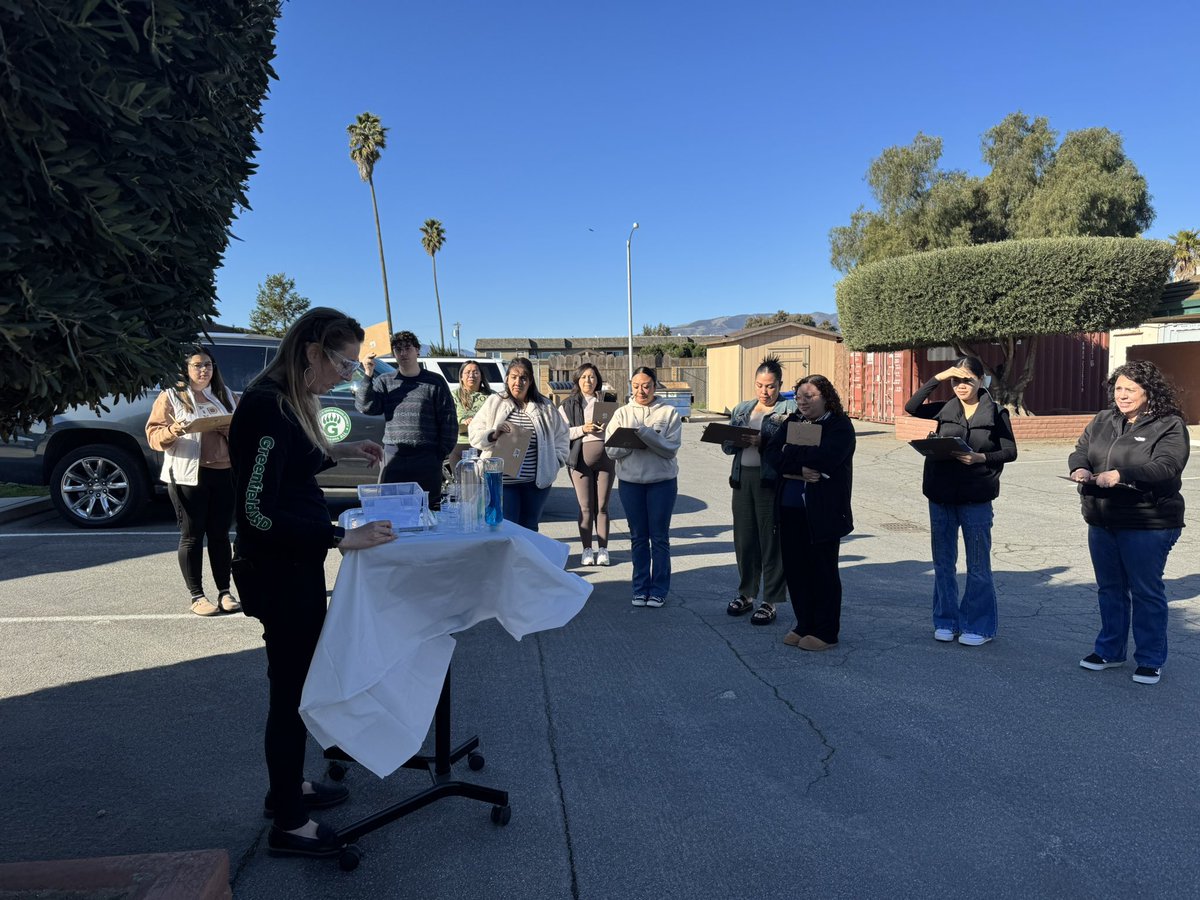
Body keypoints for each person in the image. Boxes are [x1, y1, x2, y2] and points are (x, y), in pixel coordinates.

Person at [229, 307, 396, 859]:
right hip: (277, 572)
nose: (347, 375)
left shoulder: (286, 405)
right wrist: (335, 537)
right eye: (344, 362)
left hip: (291, 566)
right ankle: (289, 823)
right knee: (290, 692)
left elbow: (288, 470)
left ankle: (288, 789)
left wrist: (340, 452)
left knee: (296, 687)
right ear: (311, 352)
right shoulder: (266, 408)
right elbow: (255, 510)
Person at [1068, 360, 1189, 686]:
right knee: (1110, 589)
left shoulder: (1169, 425)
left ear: (1148, 392)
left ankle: (1150, 659)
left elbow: (1167, 466)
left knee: (1146, 591)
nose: (1122, 395)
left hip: (1148, 522)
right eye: (1118, 388)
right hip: (1102, 518)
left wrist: (1123, 474)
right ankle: (1110, 650)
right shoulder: (1103, 420)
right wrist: (1080, 468)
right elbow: (1081, 451)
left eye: (1130, 389)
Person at [904, 356, 1017, 647]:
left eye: (967, 379)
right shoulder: (945, 408)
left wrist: (981, 457)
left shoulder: (996, 413)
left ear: (981, 380)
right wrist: (939, 377)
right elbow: (911, 407)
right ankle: (946, 620)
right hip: (940, 495)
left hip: (976, 497)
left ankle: (978, 626)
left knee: (978, 565)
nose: (961, 385)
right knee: (943, 563)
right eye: (956, 380)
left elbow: (1010, 451)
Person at [145, 346, 239, 617]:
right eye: (197, 365)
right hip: (188, 475)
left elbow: (245, 434)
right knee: (192, 536)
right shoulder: (172, 397)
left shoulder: (227, 396)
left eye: (208, 365)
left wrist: (228, 429)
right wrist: (175, 430)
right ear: (185, 370)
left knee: (220, 535)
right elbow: (153, 436)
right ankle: (197, 596)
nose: (204, 370)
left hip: (224, 473)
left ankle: (225, 591)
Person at [764, 375, 855, 650]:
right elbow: (770, 453)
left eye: (810, 396)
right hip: (789, 509)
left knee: (822, 571)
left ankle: (826, 631)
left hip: (823, 512)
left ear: (827, 397)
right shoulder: (792, 422)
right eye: (799, 396)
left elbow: (826, 458)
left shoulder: (840, 426)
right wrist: (796, 470)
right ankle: (804, 623)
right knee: (796, 570)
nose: (802, 401)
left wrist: (790, 458)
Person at [722, 356, 797, 625]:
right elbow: (728, 447)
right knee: (744, 540)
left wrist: (764, 441)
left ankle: (771, 600)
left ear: (780, 385)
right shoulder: (743, 408)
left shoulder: (791, 409)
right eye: (759, 386)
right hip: (742, 479)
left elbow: (794, 446)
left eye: (770, 386)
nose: (764, 392)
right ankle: (746, 593)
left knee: (771, 541)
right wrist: (731, 438)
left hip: (771, 482)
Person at [605, 367, 682, 608]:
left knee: (659, 538)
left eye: (647, 385)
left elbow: (670, 449)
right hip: (630, 485)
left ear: (655, 385)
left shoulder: (669, 413)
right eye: (636, 385)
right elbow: (611, 450)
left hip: (662, 484)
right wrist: (632, 442)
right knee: (638, 537)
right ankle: (640, 588)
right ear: (630, 386)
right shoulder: (621, 413)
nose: (641, 390)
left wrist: (648, 436)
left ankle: (659, 590)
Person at [356, 330, 457, 507]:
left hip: (427, 457)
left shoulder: (435, 381)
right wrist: (368, 375)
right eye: (398, 349)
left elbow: (448, 418)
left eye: (407, 348)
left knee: (428, 509)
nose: (403, 353)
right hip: (394, 456)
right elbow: (367, 407)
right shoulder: (385, 381)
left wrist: (441, 453)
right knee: (390, 509)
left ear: (417, 350)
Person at [469, 357, 568, 531]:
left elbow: (562, 435)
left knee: (530, 528)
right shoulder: (495, 402)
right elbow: (474, 434)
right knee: (506, 528)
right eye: (514, 377)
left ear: (530, 381)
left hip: (536, 483)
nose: (518, 382)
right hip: (503, 482)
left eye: (523, 378)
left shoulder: (544, 406)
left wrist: (556, 460)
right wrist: (492, 435)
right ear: (507, 378)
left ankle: (526, 560)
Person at [559, 362, 617, 566]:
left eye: (592, 377)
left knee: (602, 507)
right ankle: (586, 550)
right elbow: (562, 433)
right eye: (584, 377)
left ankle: (603, 549)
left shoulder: (606, 400)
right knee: (585, 507)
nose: (588, 381)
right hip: (579, 460)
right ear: (577, 379)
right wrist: (584, 428)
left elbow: (617, 426)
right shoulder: (567, 404)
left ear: (597, 380)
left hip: (606, 459)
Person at [447, 359, 493, 472]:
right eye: (467, 372)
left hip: (485, 445)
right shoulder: (453, 395)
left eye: (475, 372)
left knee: (485, 485)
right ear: (461, 376)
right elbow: (447, 421)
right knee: (464, 486)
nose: (471, 375)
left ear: (481, 376)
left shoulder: (492, 396)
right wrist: (463, 422)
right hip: (460, 445)